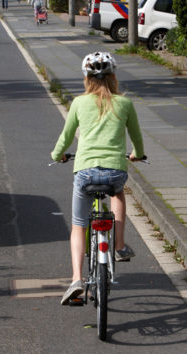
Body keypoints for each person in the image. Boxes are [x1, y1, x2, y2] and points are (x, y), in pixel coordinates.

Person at [51, 52, 145, 306]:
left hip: (85, 172)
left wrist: (57, 154)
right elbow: (136, 137)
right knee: (118, 194)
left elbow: (67, 135)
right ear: (114, 76)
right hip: (115, 171)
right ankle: (119, 245)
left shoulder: (79, 104)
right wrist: (138, 154)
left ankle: (76, 279)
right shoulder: (124, 104)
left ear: (86, 78)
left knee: (79, 225)